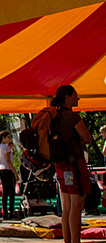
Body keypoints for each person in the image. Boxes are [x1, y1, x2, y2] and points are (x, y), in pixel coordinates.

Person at [50, 85, 93, 243]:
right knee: (77, 205)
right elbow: (88, 138)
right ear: (67, 97)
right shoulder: (72, 117)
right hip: (74, 164)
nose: (78, 98)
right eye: (75, 95)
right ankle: (76, 241)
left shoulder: (55, 116)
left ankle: (67, 240)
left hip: (61, 166)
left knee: (67, 206)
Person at [0, 130, 19, 219]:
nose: (10, 139)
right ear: (4, 137)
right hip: (8, 169)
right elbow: (8, 161)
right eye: (8, 137)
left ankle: (5, 211)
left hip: (1, 169)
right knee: (11, 192)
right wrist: (15, 172)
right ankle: (11, 212)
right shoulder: (6, 147)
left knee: (5, 192)